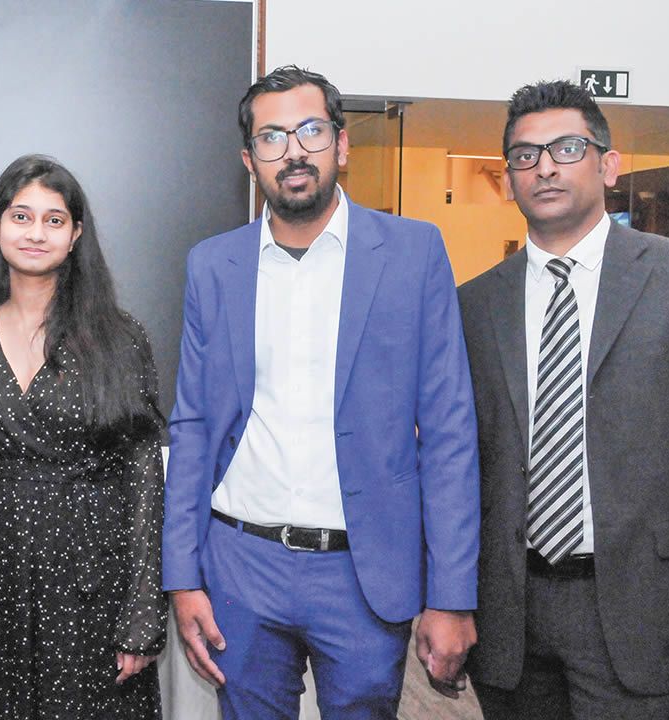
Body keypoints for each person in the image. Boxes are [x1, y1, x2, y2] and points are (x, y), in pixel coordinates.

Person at [162, 65, 480, 719]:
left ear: (341, 144)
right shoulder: (212, 266)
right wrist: (182, 575)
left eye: (310, 130)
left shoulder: (415, 253)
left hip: (364, 572)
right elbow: (191, 424)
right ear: (250, 159)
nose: (295, 150)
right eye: (273, 137)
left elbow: (450, 431)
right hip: (241, 565)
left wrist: (452, 594)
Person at [458, 81, 669, 719]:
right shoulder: (475, 303)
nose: (544, 166)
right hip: (510, 616)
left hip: (643, 613)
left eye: (566, 148)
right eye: (523, 154)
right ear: (509, 176)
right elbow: (461, 467)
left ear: (609, 163)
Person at [0, 154, 168, 718]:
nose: (36, 232)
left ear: (76, 235)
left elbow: (144, 475)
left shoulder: (119, 337)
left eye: (53, 219)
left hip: (92, 577)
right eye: (21, 216)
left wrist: (143, 610)